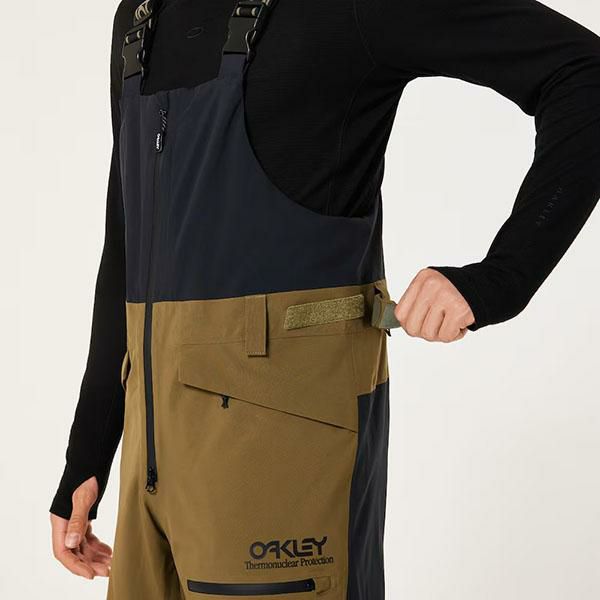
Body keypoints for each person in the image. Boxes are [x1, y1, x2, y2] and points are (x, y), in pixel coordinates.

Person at [50, 0, 600, 597]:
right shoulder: (139, 17)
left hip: (280, 459)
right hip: (148, 469)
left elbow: (583, 73)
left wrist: (500, 279)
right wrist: (89, 454)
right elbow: (126, 237)